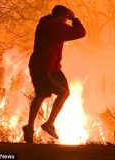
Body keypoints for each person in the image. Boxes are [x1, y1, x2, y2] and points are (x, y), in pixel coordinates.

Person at [23, 5, 86, 143]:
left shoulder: (44, 23)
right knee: (64, 93)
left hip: (37, 65)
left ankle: (29, 126)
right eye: (66, 17)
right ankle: (49, 123)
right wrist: (74, 19)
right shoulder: (58, 28)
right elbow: (81, 33)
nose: (66, 20)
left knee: (41, 94)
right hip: (49, 68)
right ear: (63, 16)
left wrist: (66, 18)